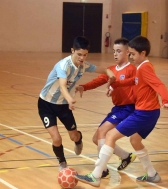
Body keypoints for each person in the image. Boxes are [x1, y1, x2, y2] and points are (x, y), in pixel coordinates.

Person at [74, 36, 168, 187]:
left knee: (110, 136)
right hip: (148, 112)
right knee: (134, 140)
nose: (131, 56)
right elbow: (133, 82)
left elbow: (159, 84)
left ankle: (96, 175)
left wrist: (166, 101)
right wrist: (115, 84)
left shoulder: (142, 68)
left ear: (142, 53)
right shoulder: (142, 67)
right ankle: (152, 174)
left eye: (132, 54)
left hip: (141, 112)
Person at [38, 36, 115, 171]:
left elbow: (102, 69)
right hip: (46, 104)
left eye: (85, 55)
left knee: (74, 136)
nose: (82, 58)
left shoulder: (83, 66)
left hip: (62, 106)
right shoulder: (63, 66)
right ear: (72, 50)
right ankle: (62, 162)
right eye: (79, 54)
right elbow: (62, 86)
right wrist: (69, 99)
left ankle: (78, 140)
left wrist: (110, 73)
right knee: (56, 138)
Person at [75, 38, 136, 179]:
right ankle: (126, 156)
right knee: (97, 138)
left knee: (102, 131)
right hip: (117, 108)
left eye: (119, 51)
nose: (115, 54)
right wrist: (84, 86)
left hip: (128, 108)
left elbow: (136, 86)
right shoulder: (111, 70)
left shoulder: (132, 69)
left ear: (127, 52)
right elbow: (98, 81)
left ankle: (101, 169)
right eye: (114, 51)